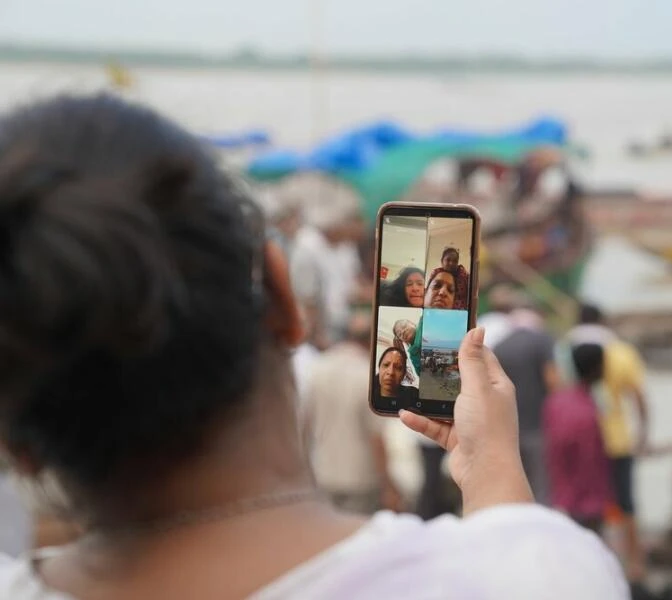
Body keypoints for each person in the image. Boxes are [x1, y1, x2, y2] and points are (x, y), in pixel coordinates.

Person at [0, 94, 628, 599]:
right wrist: (493, 470)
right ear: (282, 296)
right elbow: (520, 564)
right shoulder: (531, 572)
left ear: (15, 438)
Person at [556, 302, 649, 581]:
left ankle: (577, 561)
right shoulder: (622, 352)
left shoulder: (563, 350)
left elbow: (558, 393)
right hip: (616, 439)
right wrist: (643, 434)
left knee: (578, 502)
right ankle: (634, 566)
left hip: (576, 438)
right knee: (626, 504)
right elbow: (639, 397)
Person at [302, 313, 403, 515]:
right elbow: (376, 437)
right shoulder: (369, 375)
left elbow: (305, 425)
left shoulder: (318, 368)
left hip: (323, 473)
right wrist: (388, 484)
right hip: (360, 479)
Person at [543, 344, 612, 533]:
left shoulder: (556, 401)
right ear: (597, 367)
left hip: (560, 496)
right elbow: (589, 464)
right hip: (583, 505)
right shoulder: (587, 413)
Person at [493, 309, 559, 504]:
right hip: (539, 425)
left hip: (509, 428)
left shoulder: (500, 346)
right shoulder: (542, 341)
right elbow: (552, 380)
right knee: (541, 484)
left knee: (514, 482)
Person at [289, 193, 364, 350]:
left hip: (342, 325)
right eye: (353, 221)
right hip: (319, 335)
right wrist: (318, 337)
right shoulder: (307, 247)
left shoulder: (346, 247)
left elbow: (350, 287)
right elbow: (307, 299)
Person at [392, 319, 420, 387]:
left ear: (413, 323)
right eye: (400, 334)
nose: (403, 331)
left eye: (404, 326)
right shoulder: (412, 355)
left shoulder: (423, 326)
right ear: (402, 340)